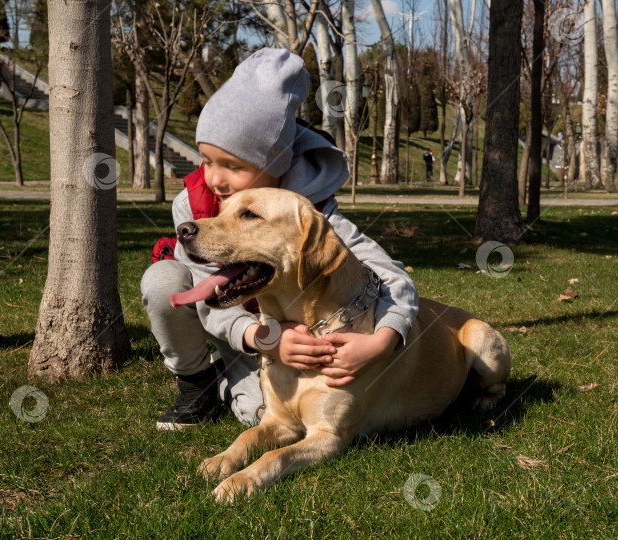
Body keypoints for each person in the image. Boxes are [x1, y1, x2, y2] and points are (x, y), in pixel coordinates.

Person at [140, 48, 419, 431]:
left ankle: (231, 383)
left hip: (303, 337)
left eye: (233, 166)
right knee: (162, 280)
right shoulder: (190, 205)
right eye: (207, 160)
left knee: (264, 416)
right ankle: (196, 382)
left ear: (275, 165)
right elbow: (206, 299)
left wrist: (382, 341)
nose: (215, 179)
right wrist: (264, 337)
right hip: (244, 331)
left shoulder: (312, 213)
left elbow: (393, 277)